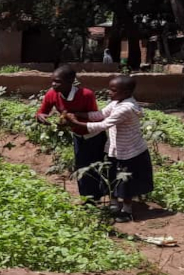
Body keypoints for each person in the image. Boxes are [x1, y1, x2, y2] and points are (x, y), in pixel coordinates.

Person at [62, 75, 153, 223]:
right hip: (115, 149)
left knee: (125, 182)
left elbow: (104, 124)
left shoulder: (127, 108)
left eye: (113, 90)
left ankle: (127, 210)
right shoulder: (117, 102)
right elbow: (101, 114)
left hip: (130, 152)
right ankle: (114, 205)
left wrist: (76, 123)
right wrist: (80, 114)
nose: (109, 92)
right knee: (112, 177)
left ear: (126, 91)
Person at [36, 66, 107, 202]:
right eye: (52, 81)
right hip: (78, 135)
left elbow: (94, 117)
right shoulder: (52, 94)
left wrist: (72, 120)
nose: (53, 84)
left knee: (97, 166)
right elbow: (42, 111)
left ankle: (99, 197)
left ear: (70, 81)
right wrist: (41, 117)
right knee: (82, 167)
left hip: (94, 135)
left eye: (57, 81)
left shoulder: (86, 94)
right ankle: (89, 199)